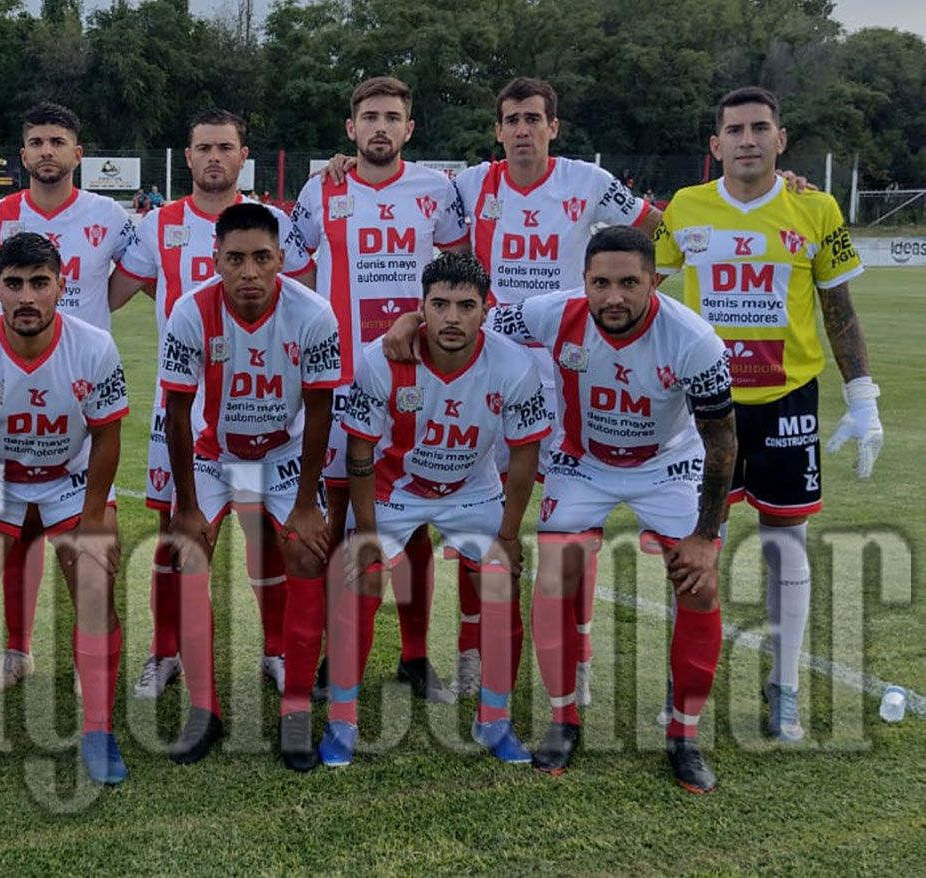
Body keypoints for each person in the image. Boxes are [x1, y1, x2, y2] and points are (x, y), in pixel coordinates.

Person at [377, 77, 660, 703]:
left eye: (534, 118)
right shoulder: (472, 185)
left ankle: (578, 661)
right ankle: (472, 656)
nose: (523, 129)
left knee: (572, 528)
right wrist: (347, 163)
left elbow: (660, 230)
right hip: (488, 371)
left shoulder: (588, 181)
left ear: (553, 127)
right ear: (498, 130)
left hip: (569, 376)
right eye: (512, 120)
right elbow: (424, 229)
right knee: (479, 520)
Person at [655, 86, 882, 742]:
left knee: (787, 545)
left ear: (780, 140)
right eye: (735, 130)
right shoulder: (685, 207)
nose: (747, 139)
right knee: (695, 546)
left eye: (760, 128)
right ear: (716, 144)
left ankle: (783, 686)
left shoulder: (815, 207)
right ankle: (682, 682)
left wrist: (862, 396)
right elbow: (646, 292)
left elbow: (838, 308)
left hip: (787, 402)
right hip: (707, 408)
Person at [494, 225, 736, 793]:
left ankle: (684, 735)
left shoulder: (694, 340)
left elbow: (723, 442)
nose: (614, 297)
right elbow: (482, 321)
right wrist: (410, 322)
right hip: (583, 462)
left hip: (667, 464)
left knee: (699, 586)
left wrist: (705, 536)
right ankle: (563, 720)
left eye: (629, 283)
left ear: (654, 280)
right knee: (553, 578)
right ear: (584, 282)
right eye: (600, 283)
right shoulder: (555, 313)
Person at [109, 108, 313, 701]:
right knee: (175, 532)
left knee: (268, 534)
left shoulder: (274, 222)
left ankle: (277, 650)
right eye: (204, 148)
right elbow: (117, 291)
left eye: (226, 147)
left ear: (243, 155)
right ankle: (165, 653)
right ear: (188, 155)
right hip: (182, 409)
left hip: (265, 405)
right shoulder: (158, 223)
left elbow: (304, 293)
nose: (215, 157)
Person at [320, 252, 551, 769]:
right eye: (440, 304)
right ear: (420, 307)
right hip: (395, 490)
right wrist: (368, 533)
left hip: (472, 490)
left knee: (501, 586)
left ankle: (494, 720)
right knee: (360, 581)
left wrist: (509, 535)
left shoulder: (513, 365)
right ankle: (342, 720)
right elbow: (360, 450)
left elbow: (524, 454)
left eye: (466, 306)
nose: (452, 317)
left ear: (486, 310)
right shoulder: (382, 359)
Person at [0, 102, 137, 694]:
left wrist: (84, 316)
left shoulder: (110, 216)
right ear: (23, 154)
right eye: (37, 142)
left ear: (78, 153)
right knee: (10, 541)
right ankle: (16, 652)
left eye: (58, 141)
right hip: (6, 406)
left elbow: (143, 275)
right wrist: (2, 305)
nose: (47, 151)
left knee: (88, 559)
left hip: (75, 395)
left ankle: (85, 659)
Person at [0, 232, 129, 786]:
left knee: (95, 584)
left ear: (61, 286)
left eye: (39, 283)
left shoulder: (93, 347)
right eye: (13, 284)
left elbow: (107, 435)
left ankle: (98, 731)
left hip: (70, 476)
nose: (26, 297)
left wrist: (95, 518)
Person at [292, 75, 470, 703]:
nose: (380, 127)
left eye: (392, 117)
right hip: (340, 378)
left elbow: (457, 275)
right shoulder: (321, 187)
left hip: (416, 378)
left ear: (409, 129)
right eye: (370, 116)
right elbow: (294, 266)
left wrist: (421, 320)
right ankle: (331, 658)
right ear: (351, 128)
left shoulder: (437, 190)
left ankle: (415, 659)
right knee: (337, 521)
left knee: (412, 520)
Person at [158, 203, 340, 769]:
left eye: (262, 258)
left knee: (305, 554)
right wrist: (187, 507)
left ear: (281, 258)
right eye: (235, 259)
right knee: (188, 553)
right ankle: (204, 709)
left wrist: (306, 504)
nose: (249, 272)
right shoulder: (190, 312)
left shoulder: (313, 313)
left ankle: (295, 710)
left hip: (283, 456)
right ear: (215, 260)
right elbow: (178, 412)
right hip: (215, 457)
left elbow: (320, 411)